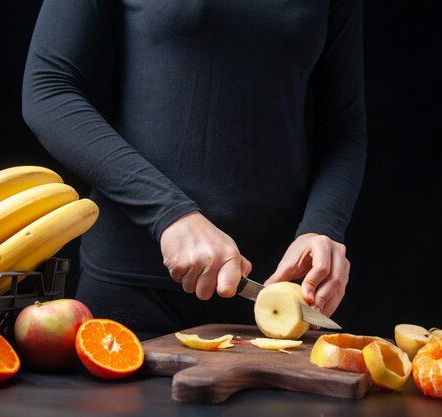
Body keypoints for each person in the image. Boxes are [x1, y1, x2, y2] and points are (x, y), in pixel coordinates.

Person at [21, 0, 367, 339]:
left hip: (278, 299)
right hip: (135, 294)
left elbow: (342, 124)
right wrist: (169, 213)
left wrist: (322, 227)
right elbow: (49, 89)